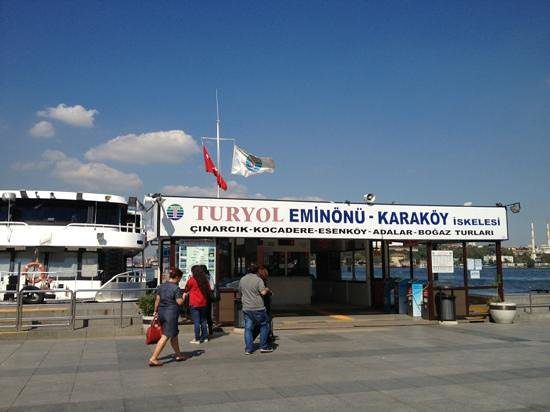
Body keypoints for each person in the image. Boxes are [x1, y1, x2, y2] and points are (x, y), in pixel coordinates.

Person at [149, 268, 186, 367]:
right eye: (180, 278)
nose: (180, 280)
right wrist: (185, 297)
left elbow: (157, 300)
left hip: (161, 312)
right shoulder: (176, 288)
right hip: (171, 313)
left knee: (174, 334)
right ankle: (154, 358)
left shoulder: (161, 286)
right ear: (177, 277)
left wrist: (155, 311)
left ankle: (178, 355)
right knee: (165, 336)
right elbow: (179, 302)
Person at [238, 263, 273, 354]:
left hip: (246, 307)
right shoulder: (258, 280)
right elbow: (263, 293)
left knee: (248, 328)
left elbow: (240, 292)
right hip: (258, 307)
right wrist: (267, 289)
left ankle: (248, 349)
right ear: (256, 271)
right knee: (264, 326)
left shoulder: (242, 279)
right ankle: (263, 346)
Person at [184, 265, 211, 344]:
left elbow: (186, 288)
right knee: (203, 320)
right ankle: (205, 337)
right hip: (203, 302)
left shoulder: (192, 280)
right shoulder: (205, 279)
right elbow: (209, 289)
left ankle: (197, 338)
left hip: (194, 303)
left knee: (196, 321)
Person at [256, 265, 275, 343]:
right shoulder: (262, 282)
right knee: (267, 321)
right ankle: (267, 337)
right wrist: (268, 291)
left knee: (265, 321)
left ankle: (266, 335)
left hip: (259, 304)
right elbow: (263, 292)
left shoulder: (257, 281)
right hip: (264, 303)